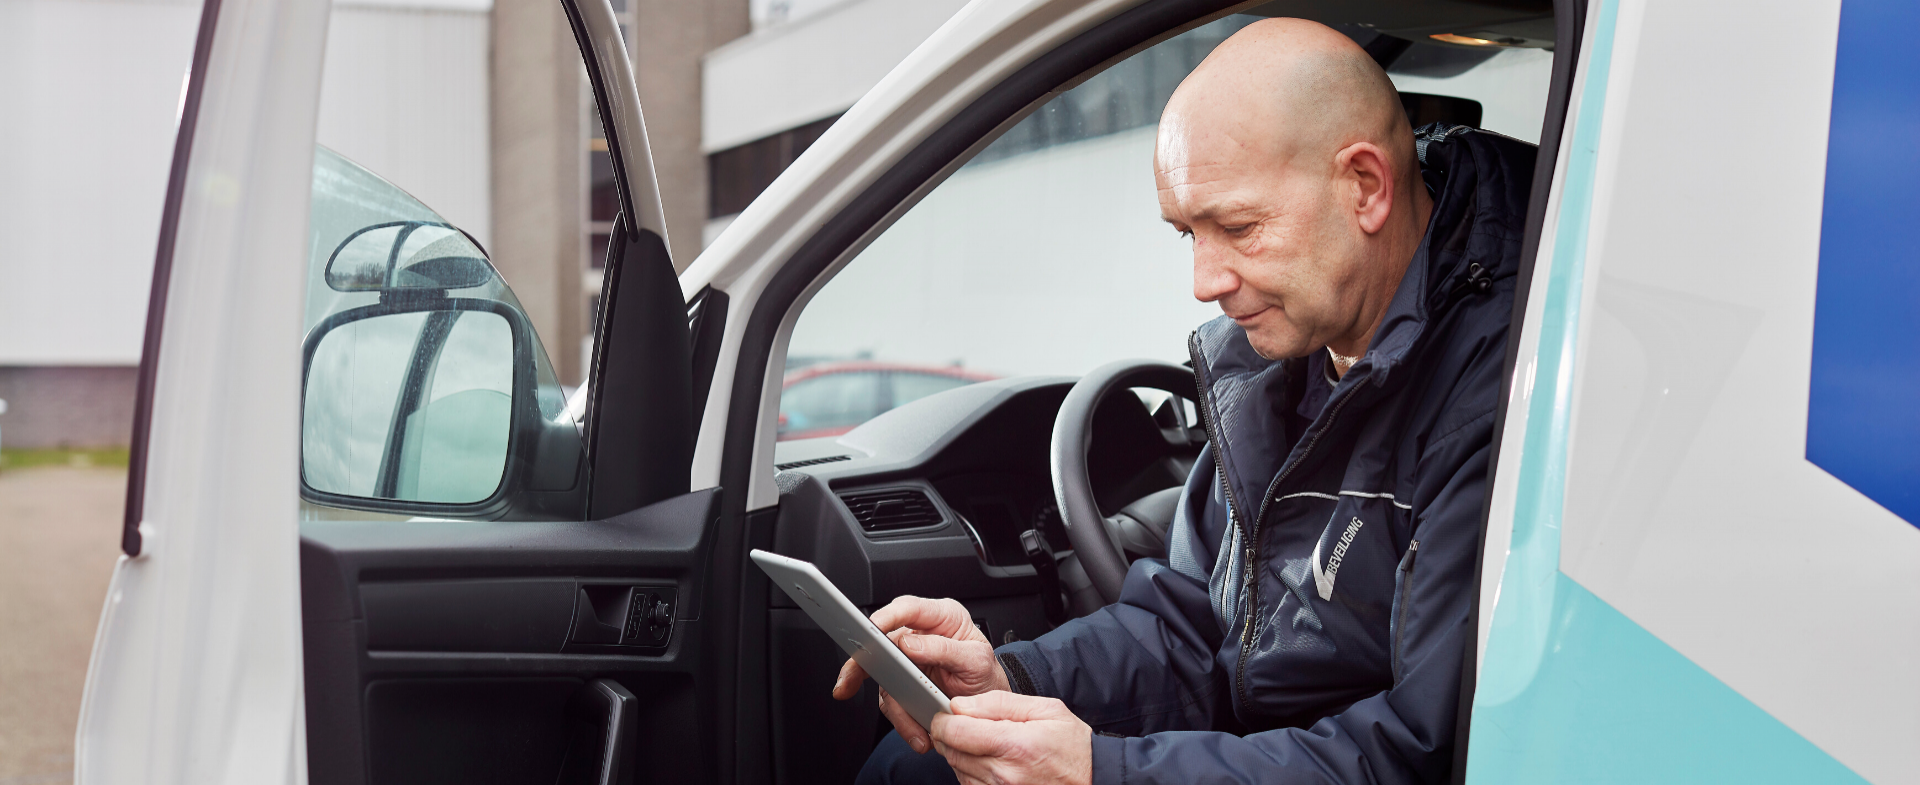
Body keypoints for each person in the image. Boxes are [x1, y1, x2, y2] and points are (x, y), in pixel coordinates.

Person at [836, 17, 1535, 784]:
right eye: (1187, 235)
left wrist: (1104, 771)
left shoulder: (1504, 386)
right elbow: (1193, 627)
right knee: (911, 765)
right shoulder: (1277, 360)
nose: (1205, 283)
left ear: (1365, 186)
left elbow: (1418, 754)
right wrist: (1013, 676)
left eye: (1238, 226)